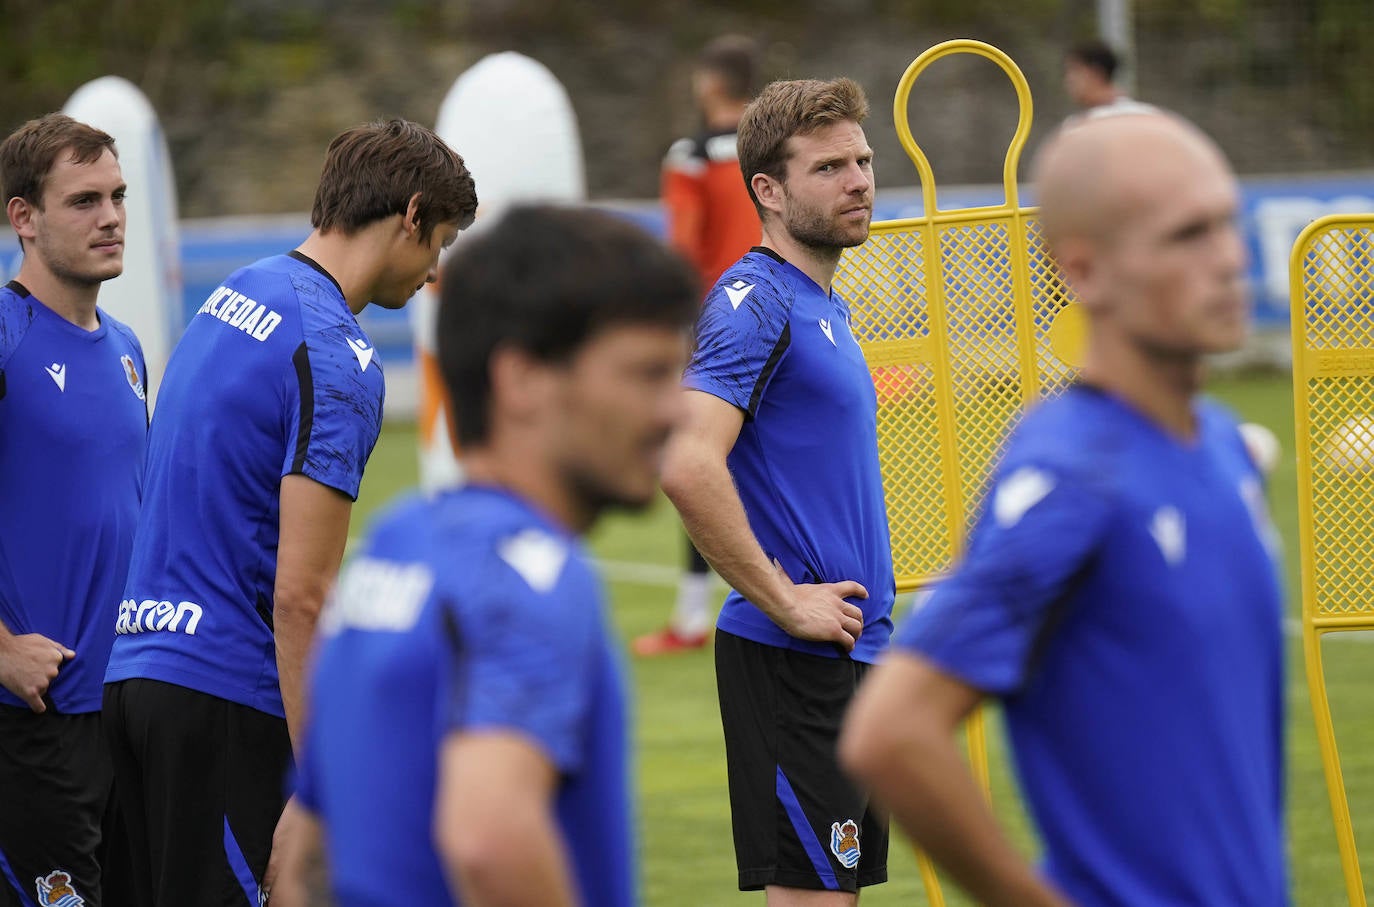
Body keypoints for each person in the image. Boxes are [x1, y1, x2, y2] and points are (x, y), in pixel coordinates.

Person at [840, 110, 1287, 906]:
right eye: (1186, 236)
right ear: (1084, 271)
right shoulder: (1074, 473)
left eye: (1226, 223)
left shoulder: (1219, 443)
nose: (1227, 259)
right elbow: (890, 733)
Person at [275, 205, 699, 907]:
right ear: (522, 379)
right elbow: (490, 838)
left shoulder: (394, 544)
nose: (675, 410)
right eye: (647, 374)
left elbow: (305, 862)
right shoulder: (529, 575)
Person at [101, 118, 477, 906]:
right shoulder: (337, 356)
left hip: (133, 678)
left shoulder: (234, 295)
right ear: (409, 216)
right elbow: (302, 595)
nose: (435, 271)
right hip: (228, 700)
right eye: (439, 241)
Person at [660, 77, 893, 903]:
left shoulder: (822, 304)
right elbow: (687, 459)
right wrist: (787, 600)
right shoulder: (753, 303)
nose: (860, 180)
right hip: (794, 656)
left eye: (863, 160)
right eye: (830, 167)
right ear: (768, 188)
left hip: (854, 649)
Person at [0, 113, 146, 907]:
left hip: (123, 711)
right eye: (85, 200)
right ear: (24, 217)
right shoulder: (4, 335)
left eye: (118, 196)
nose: (113, 216)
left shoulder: (128, 346)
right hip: (32, 721)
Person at [636, 34, 763, 656]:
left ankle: (691, 618)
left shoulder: (690, 157)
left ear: (711, 83)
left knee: (697, 459)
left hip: (715, 325)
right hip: (786, 310)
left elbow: (682, 250)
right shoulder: (774, 150)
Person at [1063, 40, 1136, 113]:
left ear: (1096, 72)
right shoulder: (1077, 120)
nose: (1069, 78)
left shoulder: (1131, 114)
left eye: (1075, 70)